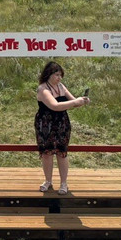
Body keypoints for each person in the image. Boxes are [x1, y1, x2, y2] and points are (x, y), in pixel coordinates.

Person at [35, 61, 90, 195]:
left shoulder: (61, 86)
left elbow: (73, 103)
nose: (59, 78)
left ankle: (63, 183)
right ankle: (48, 181)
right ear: (48, 74)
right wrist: (75, 101)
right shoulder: (43, 89)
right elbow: (55, 106)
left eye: (60, 75)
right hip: (45, 123)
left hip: (61, 123)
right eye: (56, 75)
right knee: (47, 153)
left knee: (62, 152)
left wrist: (82, 101)